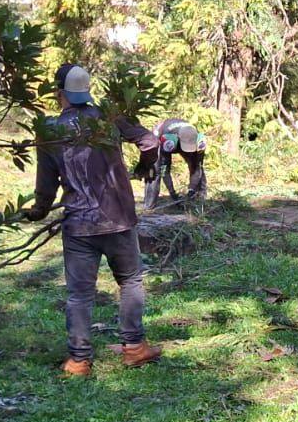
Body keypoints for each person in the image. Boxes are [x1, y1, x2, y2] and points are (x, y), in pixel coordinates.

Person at [25, 63, 166, 377]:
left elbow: (46, 186)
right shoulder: (109, 118)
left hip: (78, 224)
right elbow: (150, 142)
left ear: (58, 92)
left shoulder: (49, 130)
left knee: (79, 294)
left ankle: (78, 361)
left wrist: (38, 210)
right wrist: (146, 166)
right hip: (118, 218)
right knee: (129, 281)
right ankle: (134, 348)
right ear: (86, 91)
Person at [140, 117, 207, 209]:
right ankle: (150, 204)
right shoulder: (168, 140)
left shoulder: (200, 141)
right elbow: (165, 170)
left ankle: (199, 198)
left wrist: (191, 189)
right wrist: (173, 194)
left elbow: (197, 168)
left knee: (196, 165)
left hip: (184, 139)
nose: (188, 151)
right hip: (161, 138)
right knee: (156, 169)